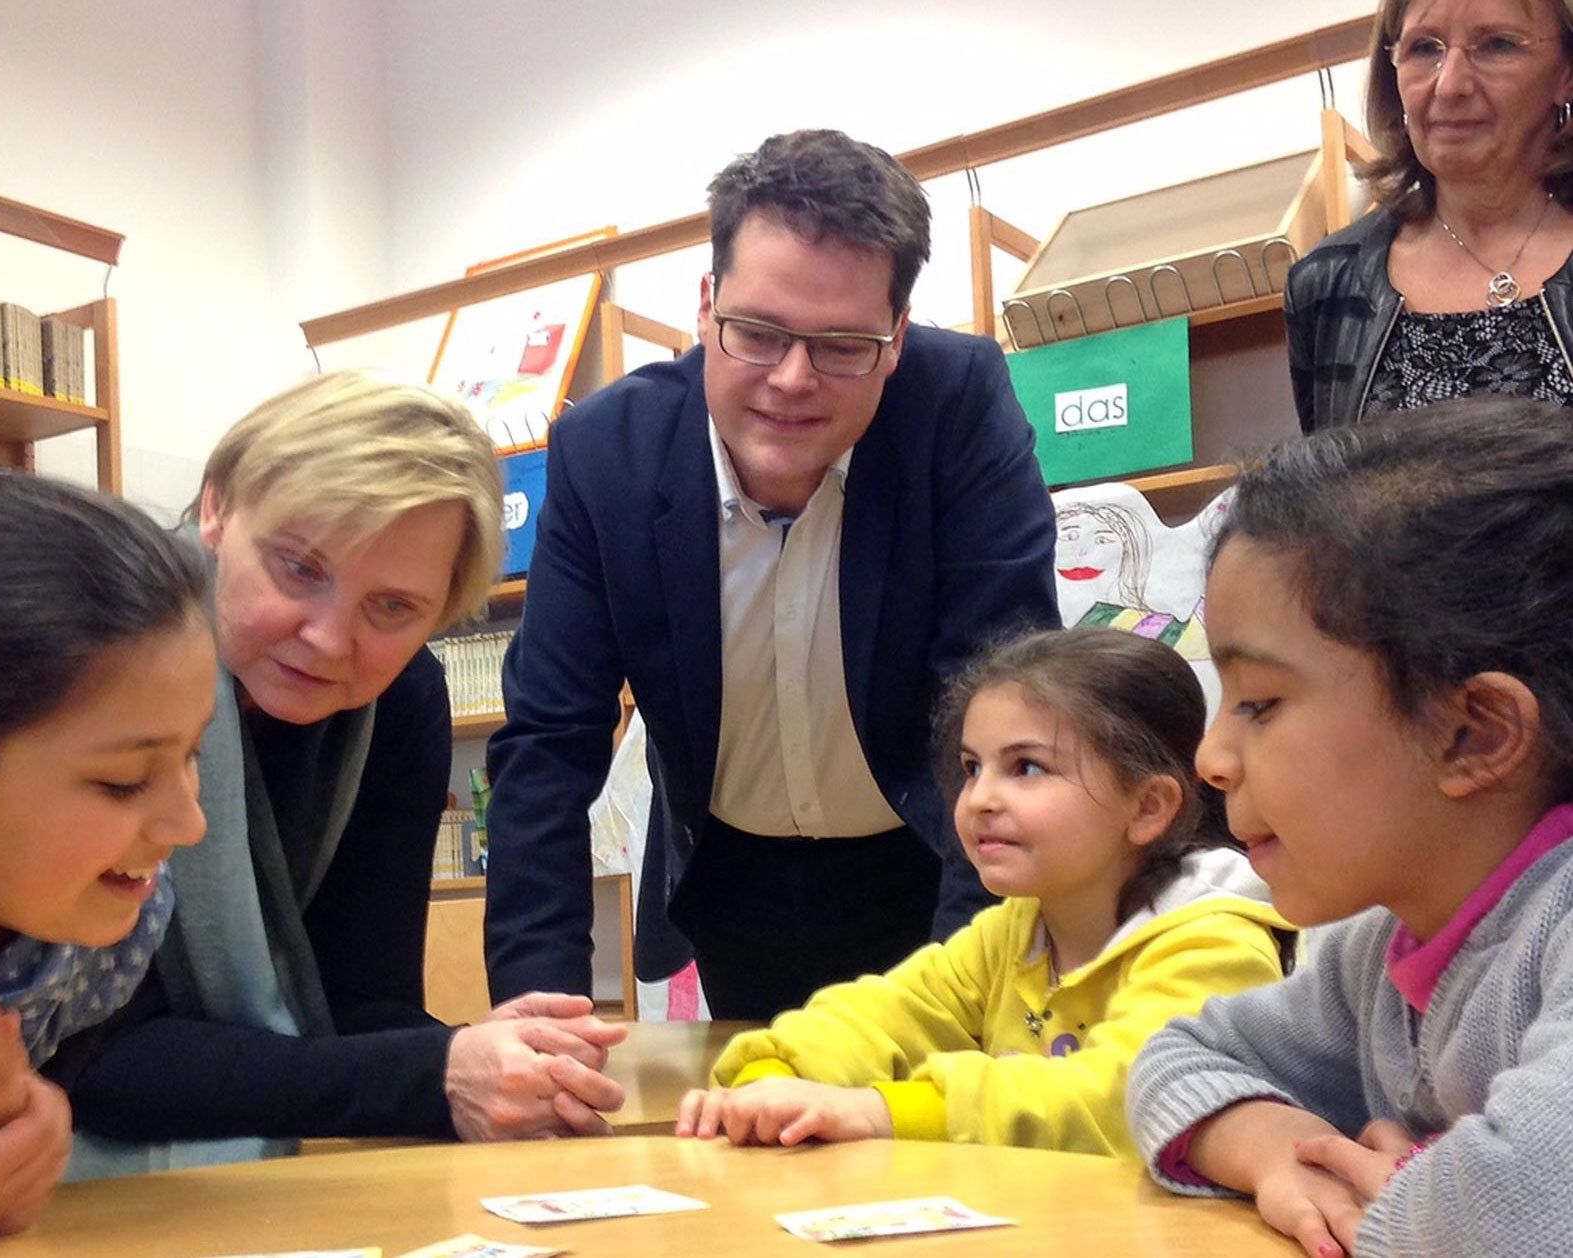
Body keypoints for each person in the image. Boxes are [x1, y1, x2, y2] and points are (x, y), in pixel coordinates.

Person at [484, 129, 1059, 1021]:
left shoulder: (956, 408)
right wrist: (538, 1012)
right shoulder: (609, 455)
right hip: (733, 886)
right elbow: (547, 746)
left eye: (841, 346)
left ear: (899, 334)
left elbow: (1004, 702)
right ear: (706, 306)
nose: (791, 380)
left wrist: (962, 1007)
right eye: (756, 333)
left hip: (933, 861)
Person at [46, 370, 626, 1177]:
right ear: (216, 508)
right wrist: (433, 1073)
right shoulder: (88, 659)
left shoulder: (401, 699)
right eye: (298, 568)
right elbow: (79, 1058)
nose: (327, 638)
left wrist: (506, 1062)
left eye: (392, 608)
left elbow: (358, 1001)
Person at [1127, 397, 1573, 1257]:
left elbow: (1521, 1212)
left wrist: (1414, 1201)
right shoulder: (1376, 945)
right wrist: (1274, 1153)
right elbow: (1178, 1057)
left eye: (1258, 703)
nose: (1210, 759)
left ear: (1472, 733)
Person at [673, 626, 1287, 1157]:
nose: (981, 799)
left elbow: (1123, 1098)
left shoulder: (1216, 943)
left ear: (1148, 807)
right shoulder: (1014, 933)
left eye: (1026, 767)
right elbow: (880, 1014)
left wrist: (879, 1112)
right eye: (973, 768)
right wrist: (772, 1075)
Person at [0, 473, 214, 1236]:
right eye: (122, 781)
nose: (189, 823)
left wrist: (0, 1146)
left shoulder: (98, 934)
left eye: (194, 753)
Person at [1286, 0, 1573, 430]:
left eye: (1496, 45)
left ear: (1566, 74)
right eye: (1424, 48)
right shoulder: (1328, 285)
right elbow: (1329, 489)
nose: (1450, 85)